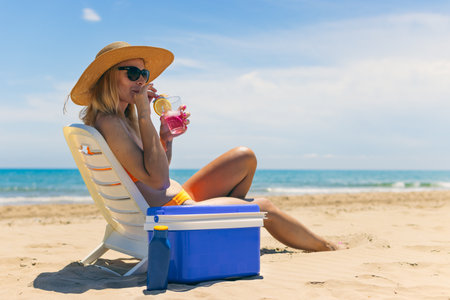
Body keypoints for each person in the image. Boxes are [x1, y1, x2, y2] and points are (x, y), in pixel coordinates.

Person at [70, 41, 336, 251]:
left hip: (174, 201)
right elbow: (159, 179)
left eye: (144, 73)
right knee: (264, 207)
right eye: (133, 73)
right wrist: (144, 114)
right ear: (108, 78)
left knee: (244, 158)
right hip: (173, 215)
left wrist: (165, 138)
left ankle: (230, 219)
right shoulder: (112, 123)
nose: (142, 80)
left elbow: (154, 170)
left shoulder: (119, 119)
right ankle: (327, 247)